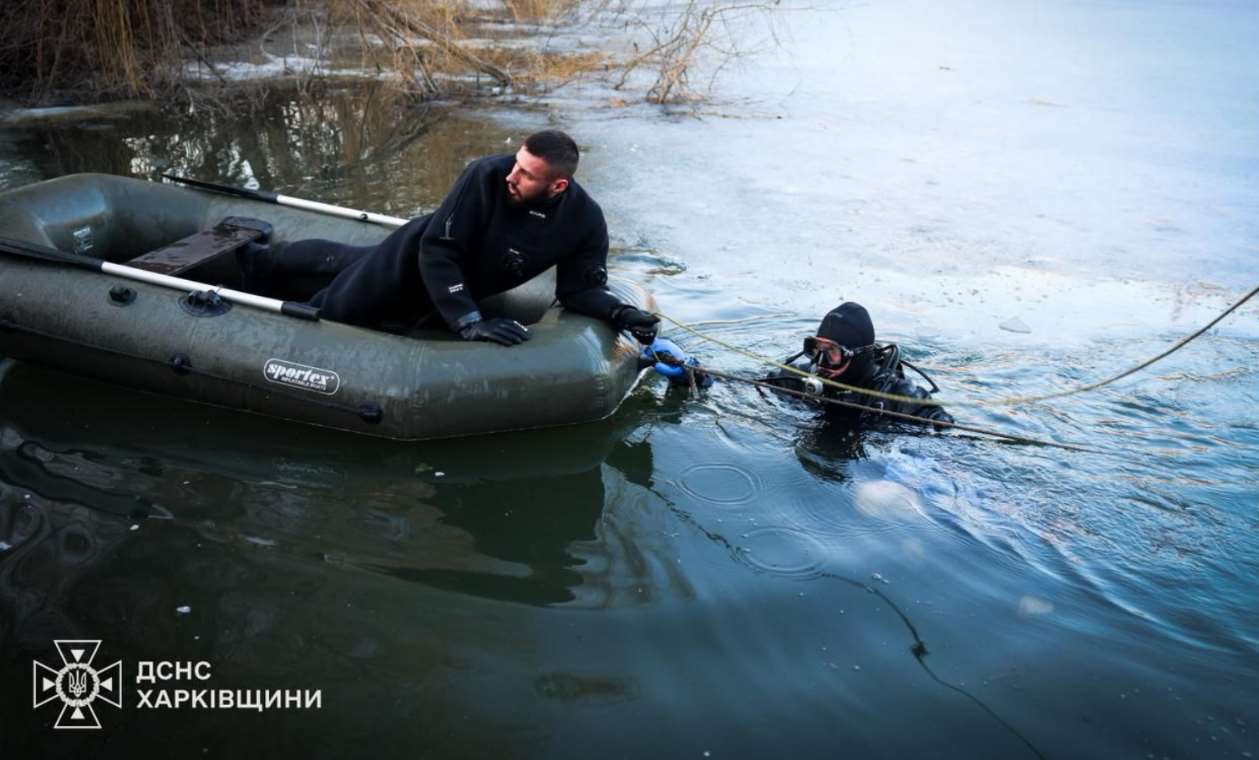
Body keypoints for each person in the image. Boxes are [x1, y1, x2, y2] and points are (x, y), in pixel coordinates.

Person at [239, 129, 660, 346]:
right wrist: (469, 321)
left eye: (526, 174)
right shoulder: (486, 175)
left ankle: (265, 260)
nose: (511, 176)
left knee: (350, 259)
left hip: (454, 278)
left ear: (558, 186)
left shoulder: (584, 221)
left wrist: (621, 315)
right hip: (410, 261)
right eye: (515, 163)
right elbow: (439, 250)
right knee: (332, 307)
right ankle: (257, 270)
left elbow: (580, 290)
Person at [763, 302, 952, 427]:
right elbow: (757, 386)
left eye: (832, 351)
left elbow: (940, 425)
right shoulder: (798, 378)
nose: (821, 361)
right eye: (817, 348)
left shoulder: (896, 395)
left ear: (857, 355)